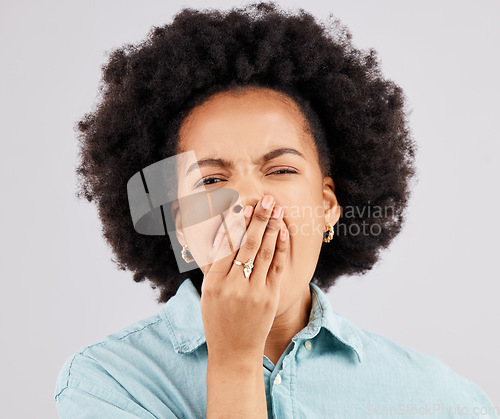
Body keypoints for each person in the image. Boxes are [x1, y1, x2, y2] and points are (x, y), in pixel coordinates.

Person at [54, 2, 498, 418]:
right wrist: (233, 360)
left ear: (327, 207)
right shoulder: (107, 383)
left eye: (281, 169)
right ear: (180, 226)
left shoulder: (440, 401)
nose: (248, 201)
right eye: (211, 180)